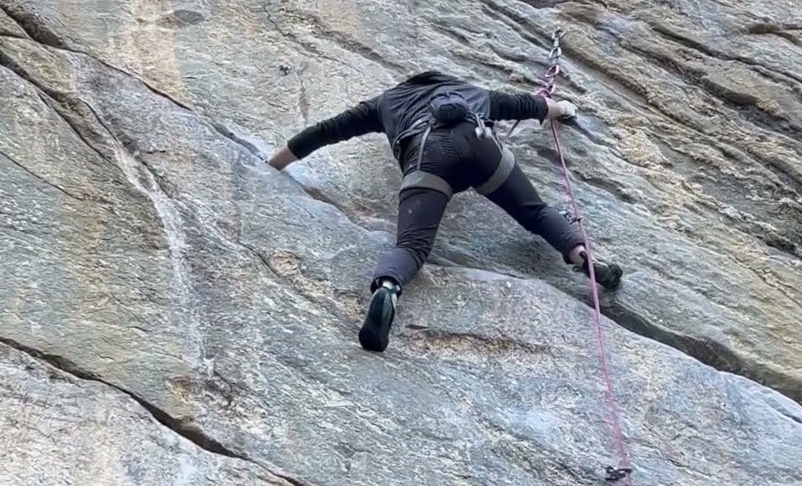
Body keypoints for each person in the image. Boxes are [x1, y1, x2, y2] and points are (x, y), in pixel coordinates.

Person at [265, 70, 624, 352]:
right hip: (482, 149)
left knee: (412, 247)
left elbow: (326, 131)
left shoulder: (385, 103)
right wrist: (564, 109)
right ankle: (583, 256)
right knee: (536, 212)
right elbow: (529, 105)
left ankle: (388, 288)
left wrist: (272, 165)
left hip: (428, 157)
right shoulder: (471, 92)